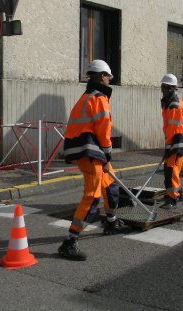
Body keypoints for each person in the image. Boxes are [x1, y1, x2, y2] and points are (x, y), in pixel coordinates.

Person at [58, 59, 130, 261]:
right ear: (101, 77)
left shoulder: (86, 96)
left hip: (87, 150)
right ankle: (69, 241)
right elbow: (103, 129)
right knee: (92, 197)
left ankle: (111, 221)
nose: (111, 79)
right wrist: (107, 155)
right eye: (109, 76)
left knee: (110, 184)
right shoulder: (98, 98)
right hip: (90, 152)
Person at [159, 74, 183, 209]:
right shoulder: (168, 102)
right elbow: (169, 128)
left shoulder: (174, 105)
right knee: (173, 167)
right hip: (178, 137)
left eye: (168, 87)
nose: (165, 90)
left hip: (180, 138)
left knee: (171, 169)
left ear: (174, 89)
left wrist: (168, 148)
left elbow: (172, 129)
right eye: (163, 87)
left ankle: (172, 199)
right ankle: (178, 192)